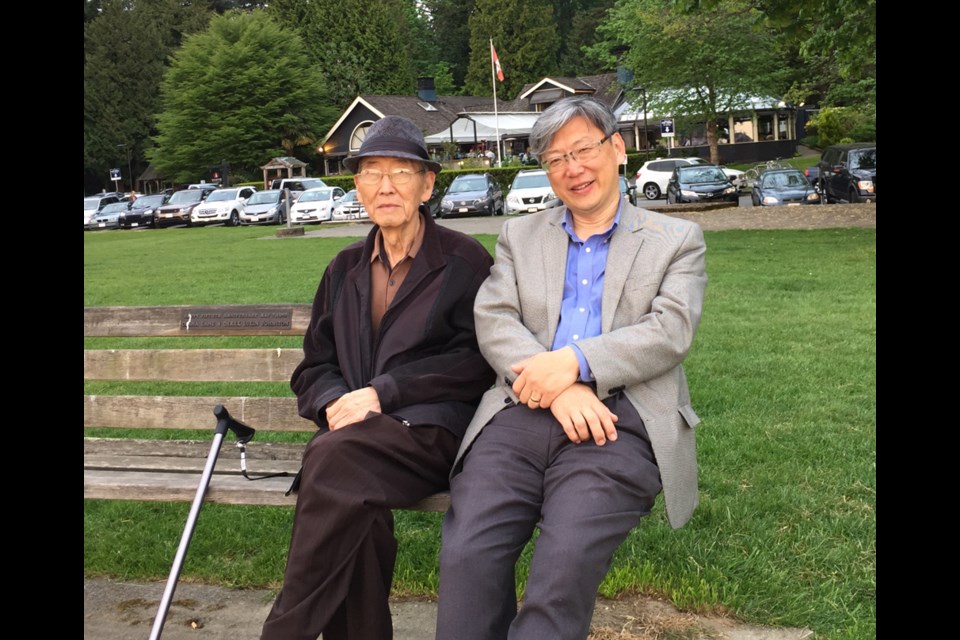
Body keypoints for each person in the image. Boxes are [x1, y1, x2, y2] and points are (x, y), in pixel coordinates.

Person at [435, 96, 708, 640]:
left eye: (583, 150)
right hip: (521, 411)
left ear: (618, 149)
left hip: (620, 422)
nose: (572, 169)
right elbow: (494, 318)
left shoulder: (675, 240)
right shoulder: (520, 235)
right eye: (555, 159)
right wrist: (559, 389)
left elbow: (668, 331)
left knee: (563, 565)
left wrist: (576, 364)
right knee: (469, 553)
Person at [260, 115, 495, 640]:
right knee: (350, 501)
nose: (385, 186)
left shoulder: (465, 260)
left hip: (433, 435)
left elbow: (479, 361)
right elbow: (313, 365)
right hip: (354, 443)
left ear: (427, 184)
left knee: (333, 462)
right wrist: (337, 403)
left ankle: (283, 631)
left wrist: (383, 394)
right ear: (358, 186)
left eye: (401, 172)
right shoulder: (343, 267)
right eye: (371, 173)